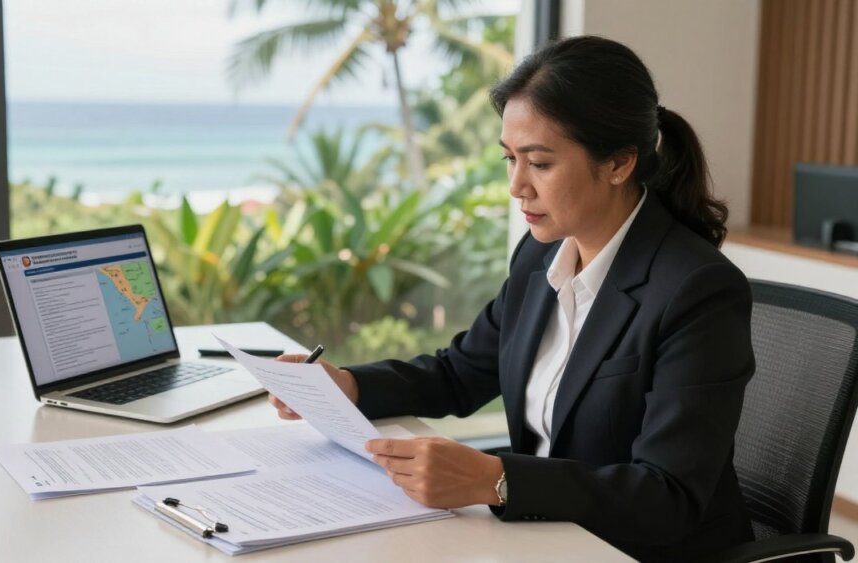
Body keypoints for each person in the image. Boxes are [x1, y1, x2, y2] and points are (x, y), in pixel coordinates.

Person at [269, 35, 755, 562]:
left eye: (540, 164)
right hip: (545, 539)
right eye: (509, 159)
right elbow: (460, 373)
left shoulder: (697, 290)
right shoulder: (539, 256)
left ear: (618, 163)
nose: (516, 186)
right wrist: (349, 385)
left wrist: (499, 481)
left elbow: (667, 498)